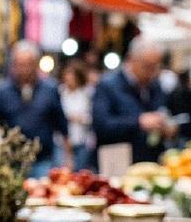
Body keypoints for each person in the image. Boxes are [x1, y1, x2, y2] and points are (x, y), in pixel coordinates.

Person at [0, 41, 70, 178]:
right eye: (20, 64)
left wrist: (68, 157)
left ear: (35, 64)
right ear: (14, 65)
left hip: (43, 159)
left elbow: (61, 124)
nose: (24, 69)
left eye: (28, 64)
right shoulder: (2, 91)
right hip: (12, 161)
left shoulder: (50, 89)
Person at [92, 36, 177, 164]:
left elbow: (163, 111)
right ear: (131, 59)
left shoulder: (155, 85)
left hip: (151, 162)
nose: (152, 72)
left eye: (155, 66)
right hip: (117, 161)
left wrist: (166, 127)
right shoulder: (108, 85)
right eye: (147, 66)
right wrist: (138, 122)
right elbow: (101, 125)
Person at [60, 61, 95, 171]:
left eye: (72, 77)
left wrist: (79, 118)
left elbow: (93, 116)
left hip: (82, 139)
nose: (69, 80)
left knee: (81, 171)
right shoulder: (59, 92)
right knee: (63, 171)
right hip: (63, 141)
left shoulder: (87, 93)